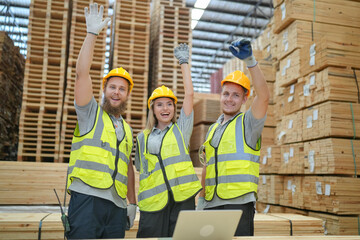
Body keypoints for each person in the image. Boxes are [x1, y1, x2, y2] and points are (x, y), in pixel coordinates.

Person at [66, 3, 137, 239]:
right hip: (87, 200)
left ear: (128, 94)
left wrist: (132, 203)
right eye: (112, 87)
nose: (117, 92)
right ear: (104, 89)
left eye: (122, 89)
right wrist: (92, 35)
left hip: (116, 205)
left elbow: (127, 167)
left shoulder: (126, 129)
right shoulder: (91, 113)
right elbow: (82, 73)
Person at [196, 39, 270, 236]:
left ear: (245, 99)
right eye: (226, 93)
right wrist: (201, 200)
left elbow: (263, 96)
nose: (229, 99)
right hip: (211, 204)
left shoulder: (248, 124)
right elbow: (207, 167)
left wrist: (251, 62)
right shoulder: (212, 129)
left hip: (238, 205)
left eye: (236, 95)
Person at [134, 43, 202, 238]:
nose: (165, 108)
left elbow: (189, 94)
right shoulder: (142, 137)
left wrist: (184, 62)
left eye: (169, 104)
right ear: (153, 109)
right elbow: (141, 169)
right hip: (153, 204)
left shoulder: (182, 129)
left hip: (182, 200)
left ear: (174, 108)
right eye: (159, 105)